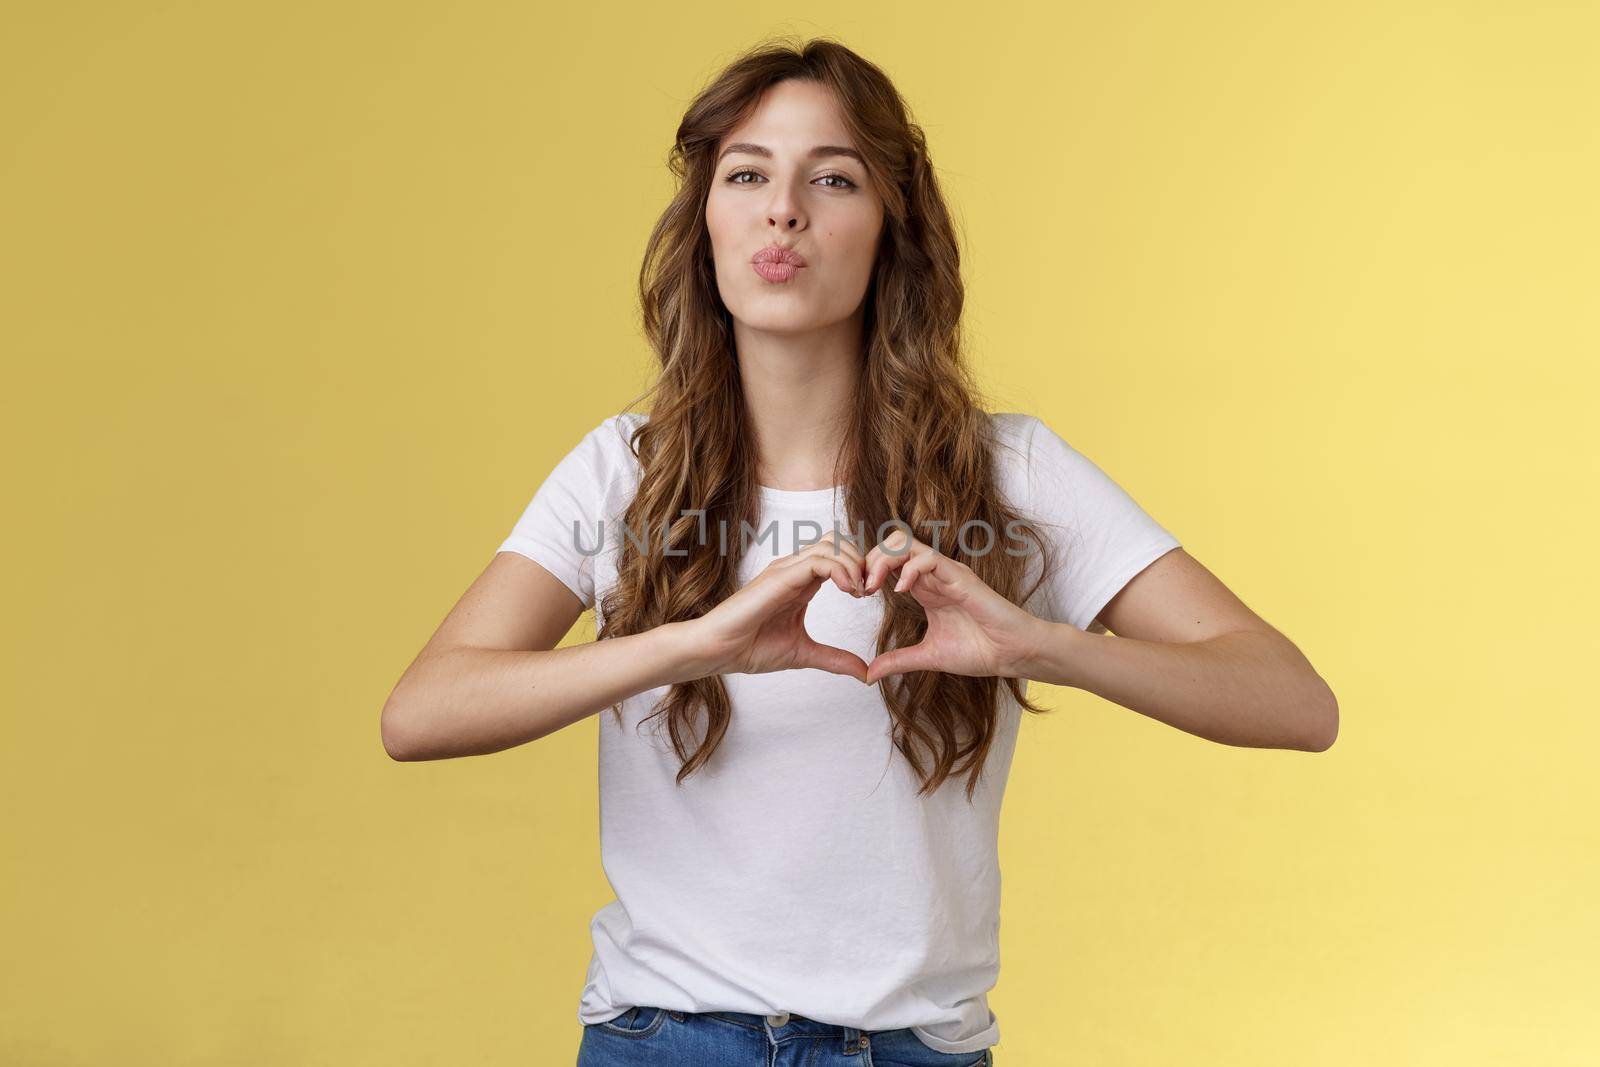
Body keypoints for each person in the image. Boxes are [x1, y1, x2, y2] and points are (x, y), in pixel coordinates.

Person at [380, 36, 1339, 1067]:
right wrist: (689, 643)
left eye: (831, 178)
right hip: (664, 1038)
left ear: (892, 227)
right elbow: (420, 713)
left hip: (914, 1048)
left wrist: (1043, 646)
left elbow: (1294, 701)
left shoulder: (1010, 473)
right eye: (746, 174)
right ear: (704, 219)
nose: (782, 209)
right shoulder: (622, 471)